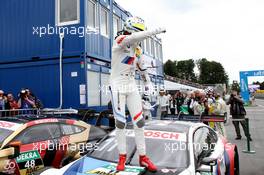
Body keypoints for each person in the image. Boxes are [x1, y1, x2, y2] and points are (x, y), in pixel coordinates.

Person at [109, 16, 166, 172]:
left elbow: (140, 65)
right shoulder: (120, 40)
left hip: (131, 85)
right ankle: (122, 157)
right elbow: (134, 37)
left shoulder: (137, 49)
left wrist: (148, 82)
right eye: (140, 33)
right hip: (118, 85)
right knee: (120, 123)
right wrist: (154, 31)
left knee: (139, 122)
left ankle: (143, 156)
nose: (140, 38)